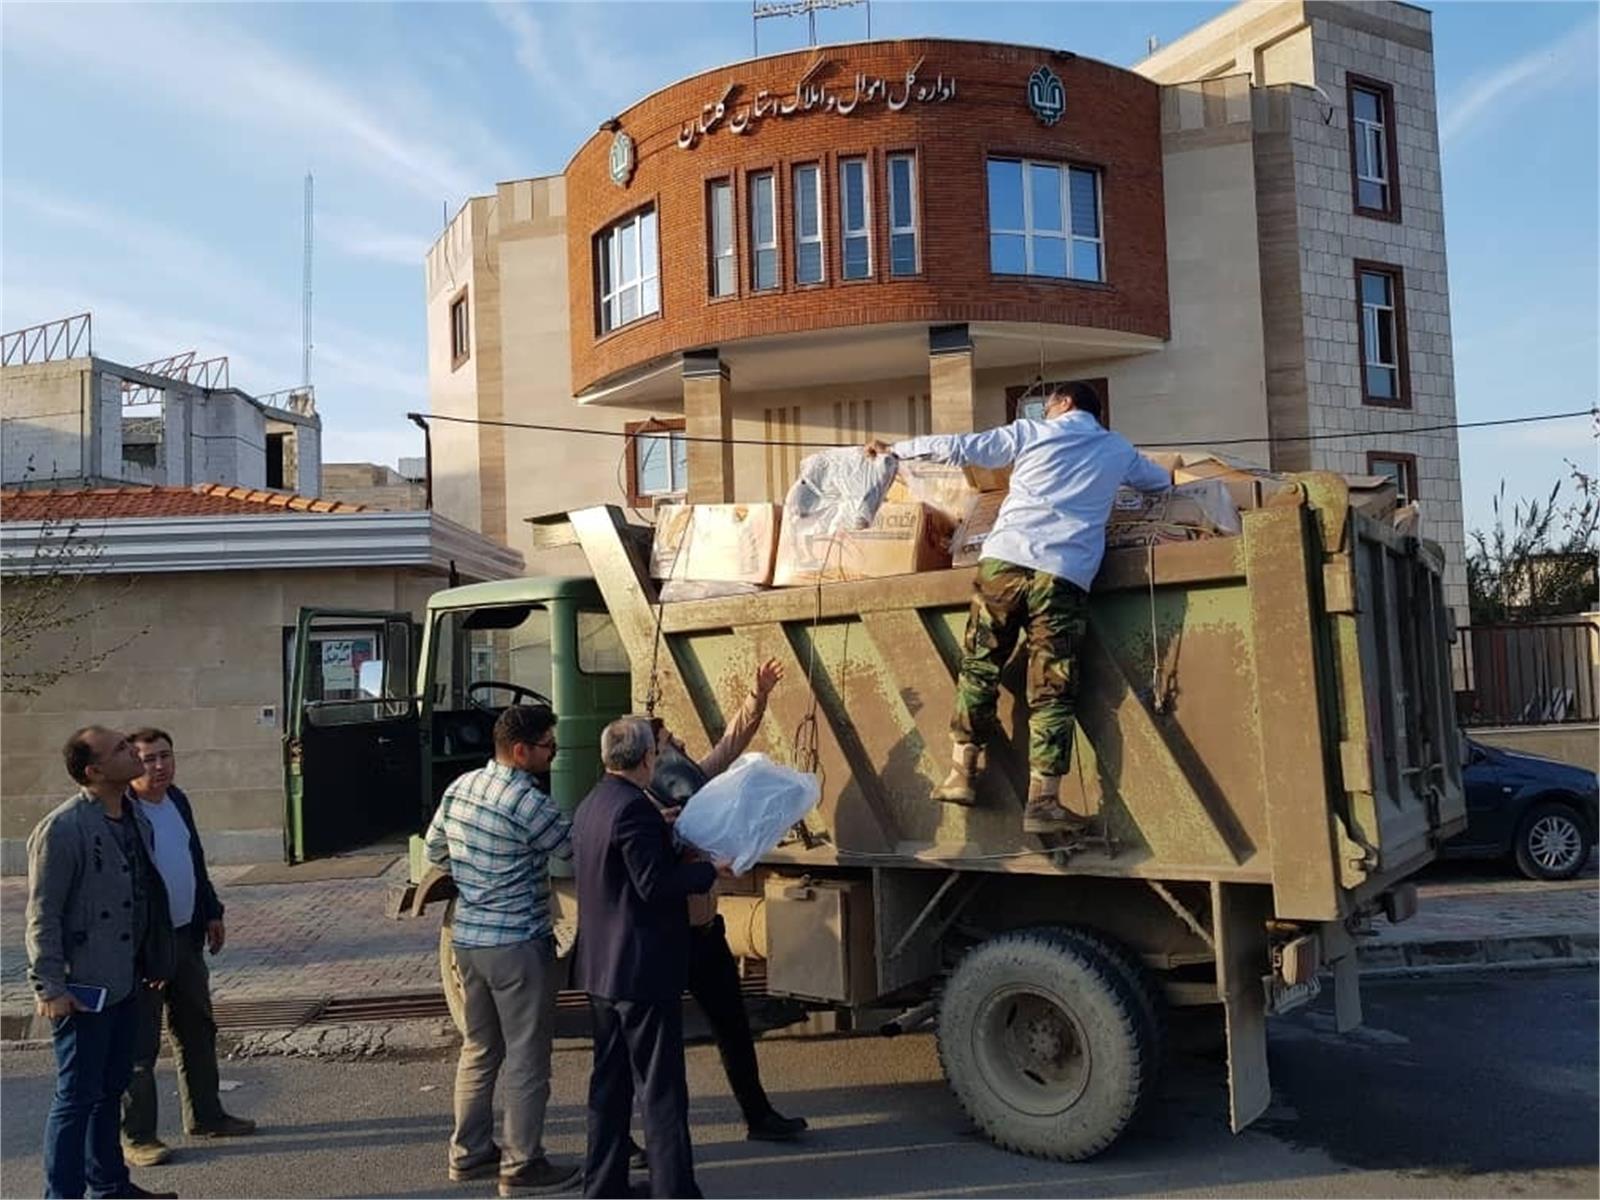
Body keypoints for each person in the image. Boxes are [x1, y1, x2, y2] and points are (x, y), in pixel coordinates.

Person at [866, 381, 1172, 834]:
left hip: (1004, 562)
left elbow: (961, 448)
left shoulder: (1031, 434)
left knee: (980, 665)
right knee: (1053, 685)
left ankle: (960, 774)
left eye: (1047, 405)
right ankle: (1043, 801)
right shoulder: (1118, 449)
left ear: (1064, 403)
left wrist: (897, 449)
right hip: (1063, 573)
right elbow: (1160, 482)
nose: (1044, 412)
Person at [646, 659, 806, 1147]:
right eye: (670, 741)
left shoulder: (695, 784)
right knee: (655, 1045)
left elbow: (732, 743)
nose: (681, 745)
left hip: (705, 933)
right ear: (648, 757)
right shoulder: (639, 810)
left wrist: (758, 696)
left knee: (733, 1027)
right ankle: (642, 1138)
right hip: (666, 936)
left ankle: (759, 1115)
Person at [423, 705, 580, 1198]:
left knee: (480, 1048)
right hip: (518, 943)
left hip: (469, 941)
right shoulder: (528, 802)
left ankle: (468, 1153)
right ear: (521, 751)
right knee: (529, 1057)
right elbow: (575, 847)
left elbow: (434, 853)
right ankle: (521, 1163)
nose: (552, 754)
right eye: (547, 746)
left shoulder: (460, 788)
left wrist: (478, 879)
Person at [27, 726, 177, 1200]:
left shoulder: (135, 816)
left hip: (127, 978)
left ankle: (110, 1186)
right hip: (83, 984)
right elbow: (43, 913)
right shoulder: (65, 828)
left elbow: (145, 893)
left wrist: (154, 956)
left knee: (112, 1088)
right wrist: (49, 987)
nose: (132, 752)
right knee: (76, 1097)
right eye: (118, 749)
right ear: (94, 771)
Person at [573, 717, 718, 1200]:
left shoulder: (594, 803)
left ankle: (604, 1186)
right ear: (645, 760)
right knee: (660, 1090)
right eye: (656, 752)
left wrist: (661, 830)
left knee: (609, 1089)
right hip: (641, 971)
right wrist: (705, 872)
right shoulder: (634, 810)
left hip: (601, 971)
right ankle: (674, 1190)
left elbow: (623, 867)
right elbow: (654, 886)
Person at [121, 728, 254, 1167]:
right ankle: (137, 1136)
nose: (158, 767)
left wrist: (211, 910)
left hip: (186, 936)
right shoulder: (123, 812)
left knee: (197, 1028)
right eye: (147, 759)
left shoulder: (176, 800)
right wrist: (142, 949)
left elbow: (193, 860)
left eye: (165, 757)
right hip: (147, 946)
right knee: (140, 1046)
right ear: (130, 764)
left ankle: (206, 1115)